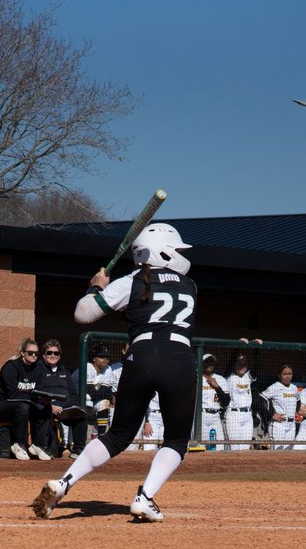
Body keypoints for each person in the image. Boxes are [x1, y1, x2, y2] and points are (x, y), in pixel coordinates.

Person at [31, 222, 198, 522]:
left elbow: (82, 313)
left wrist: (97, 286)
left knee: (119, 435)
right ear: (164, 253)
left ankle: (64, 482)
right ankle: (144, 497)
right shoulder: (190, 286)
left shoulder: (132, 280)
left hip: (141, 356)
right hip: (179, 359)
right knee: (176, 440)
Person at [0, 338, 53, 461]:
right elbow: (12, 394)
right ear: (23, 353)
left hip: (25, 402)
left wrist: (44, 400)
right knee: (23, 406)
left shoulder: (38, 369)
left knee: (45, 407)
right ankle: (20, 444)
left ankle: (38, 445)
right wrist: (34, 399)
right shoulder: (11, 367)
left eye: (36, 353)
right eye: (30, 353)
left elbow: (39, 391)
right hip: (1, 403)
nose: (33, 356)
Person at [36, 339, 88, 457]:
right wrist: (50, 406)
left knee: (81, 415)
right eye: (49, 353)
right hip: (46, 407)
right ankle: (49, 448)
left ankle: (78, 449)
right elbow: (36, 393)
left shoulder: (64, 370)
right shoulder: (37, 369)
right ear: (44, 355)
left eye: (56, 353)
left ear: (59, 356)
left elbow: (73, 394)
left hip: (64, 409)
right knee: (44, 413)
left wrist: (70, 406)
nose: (52, 355)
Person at [261, 364, 306, 450]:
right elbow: (260, 400)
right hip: (279, 424)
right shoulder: (274, 387)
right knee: (277, 451)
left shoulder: (294, 388)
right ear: (279, 375)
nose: (287, 376)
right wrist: (271, 414)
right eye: (284, 374)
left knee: (288, 452)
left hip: (291, 424)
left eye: (290, 374)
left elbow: (298, 402)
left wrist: (299, 411)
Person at [224, 353, 257, 450]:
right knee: (234, 447)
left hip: (247, 415)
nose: (242, 366)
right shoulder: (229, 376)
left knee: (245, 447)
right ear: (234, 365)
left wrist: (256, 349)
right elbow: (229, 364)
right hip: (233, 414)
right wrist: (237, 347)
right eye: (239, 364)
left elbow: (257, 365)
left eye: (244, 364)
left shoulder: (248, 377)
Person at [85, 344, 118, 435]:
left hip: (94, 402)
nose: (105, 359)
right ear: (94, 358)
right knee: (87, 397)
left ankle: (101, 435)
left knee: (105, 402)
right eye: (102, 356)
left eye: (107, 357)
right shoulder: (88, 367)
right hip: (80, 402)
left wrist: (107, 395)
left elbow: (106, 391)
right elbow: (90, 392)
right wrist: (107, 394)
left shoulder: (108, 369)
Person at [199, 353, 230, 450]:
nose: (209, 364)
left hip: (215, 416)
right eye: (207, 362)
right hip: (200, 416)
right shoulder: (196, 378)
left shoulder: (220, 379)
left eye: (211, 362)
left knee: (218, 447)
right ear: (202, 363)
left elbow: (226, 402)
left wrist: (217, 387)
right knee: (200, 447)